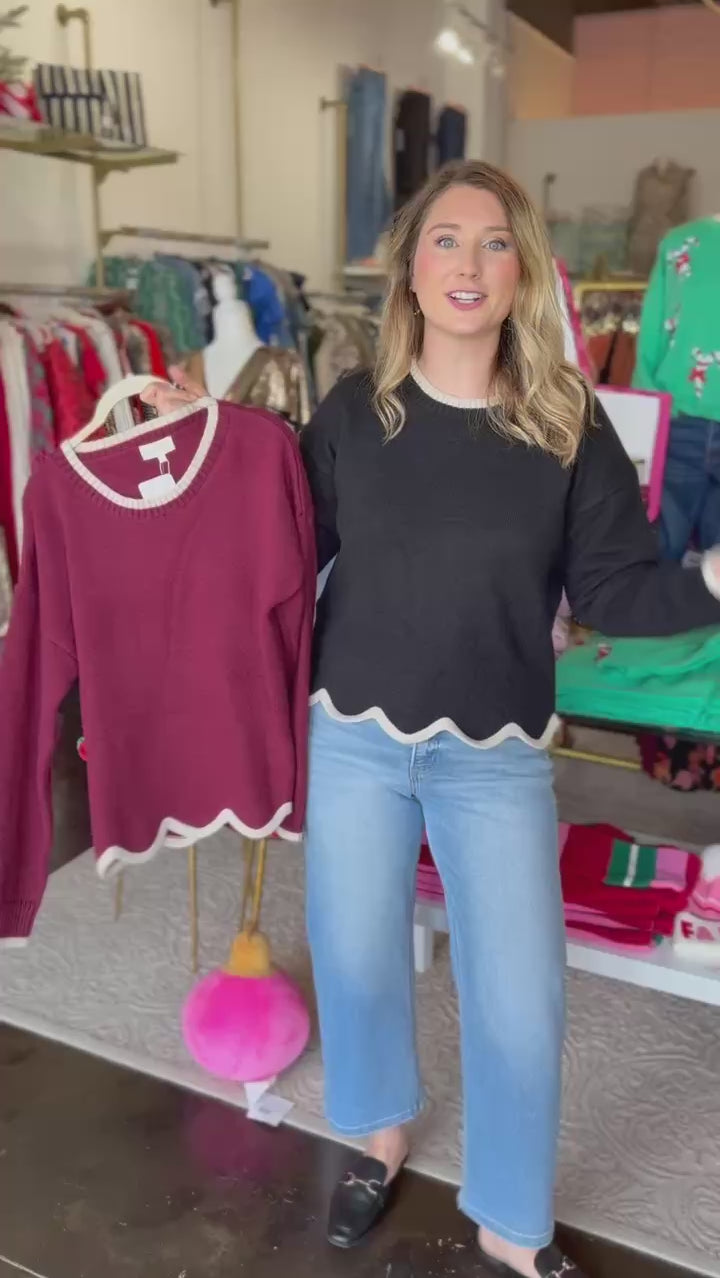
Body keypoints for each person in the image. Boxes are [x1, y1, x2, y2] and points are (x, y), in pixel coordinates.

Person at [143, 160, 720, 1278]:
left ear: (523, 272)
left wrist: (711, 575)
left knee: (521, 1000)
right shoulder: (357, 411)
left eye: (495, 242)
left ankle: (511, 1219)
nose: (468, 262)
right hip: (353, 742)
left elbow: (614, 591)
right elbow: (282, 536)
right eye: (446, 239)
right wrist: (204, 444)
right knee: (357, 960)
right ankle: (378, 1136)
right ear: (411, 268)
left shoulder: (567, 423)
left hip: (494, 759)